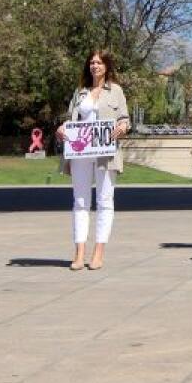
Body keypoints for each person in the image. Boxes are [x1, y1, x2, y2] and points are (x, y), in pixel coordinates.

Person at [57, 49, 130, 271]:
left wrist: (122, 127)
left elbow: (125, 119)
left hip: (106, 154)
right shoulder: (80, 92)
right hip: (80, 152)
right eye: (91, 62)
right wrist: (62, 128)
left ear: (106, 66)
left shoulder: (116, 90)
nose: (94, 66)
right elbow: (69, 120)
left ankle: (98, 252)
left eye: (99, 62)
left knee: (105, 201)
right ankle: (79, 253)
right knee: (80, 202)